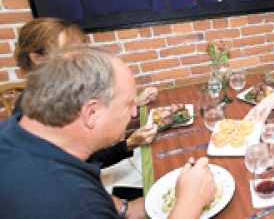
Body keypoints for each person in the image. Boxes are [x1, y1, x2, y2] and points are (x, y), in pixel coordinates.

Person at [0, 45, 216, 219]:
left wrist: (128, 209)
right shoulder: (70, 203)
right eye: (128, 104)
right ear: (92, 113)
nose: (134, 113)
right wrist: (188, 205)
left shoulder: (15, 128)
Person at [10, 18, 158, 211]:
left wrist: (124, 209)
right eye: (71, 54)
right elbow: (80, 174)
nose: (84, 62)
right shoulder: (71, 195)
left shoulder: (25, 119)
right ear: (36, 58)